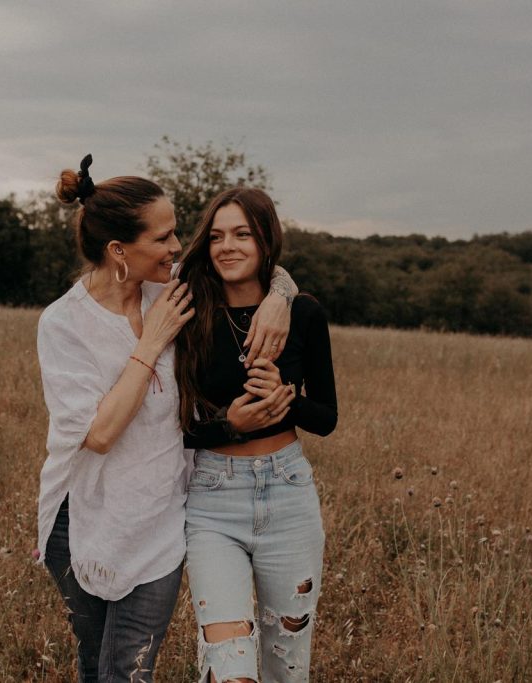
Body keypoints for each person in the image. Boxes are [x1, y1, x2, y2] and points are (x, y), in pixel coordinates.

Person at [36, 155, 297, 683]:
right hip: (82, 517)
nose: (178, 247)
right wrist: (153, 340)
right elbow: (101, 434)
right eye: (163, 237)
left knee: (131, 670)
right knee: (96, 667)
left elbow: (252, 266)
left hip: (161, 515)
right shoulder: (63, 324)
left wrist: (279, 297)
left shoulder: (175, 285)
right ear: (118, 251)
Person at [175, 188, 338, 683]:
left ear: (266, 239)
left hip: (288, 494)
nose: (227, 246)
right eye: (217, 236)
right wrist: (232, 425)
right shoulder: (188, 310)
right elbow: (176, 428)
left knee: (287, 663)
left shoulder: (303, 312)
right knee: (230, 670)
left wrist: (287, 399)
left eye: (242, 234)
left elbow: (326, 417)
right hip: (212, 501)